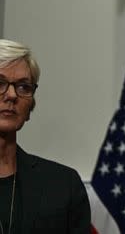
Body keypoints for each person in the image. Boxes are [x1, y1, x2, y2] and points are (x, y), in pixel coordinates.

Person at [0, 39, 91, 233]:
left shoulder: (64, 186)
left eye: (23, 87)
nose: (11, 95)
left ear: (30, 106)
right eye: (0, 83)